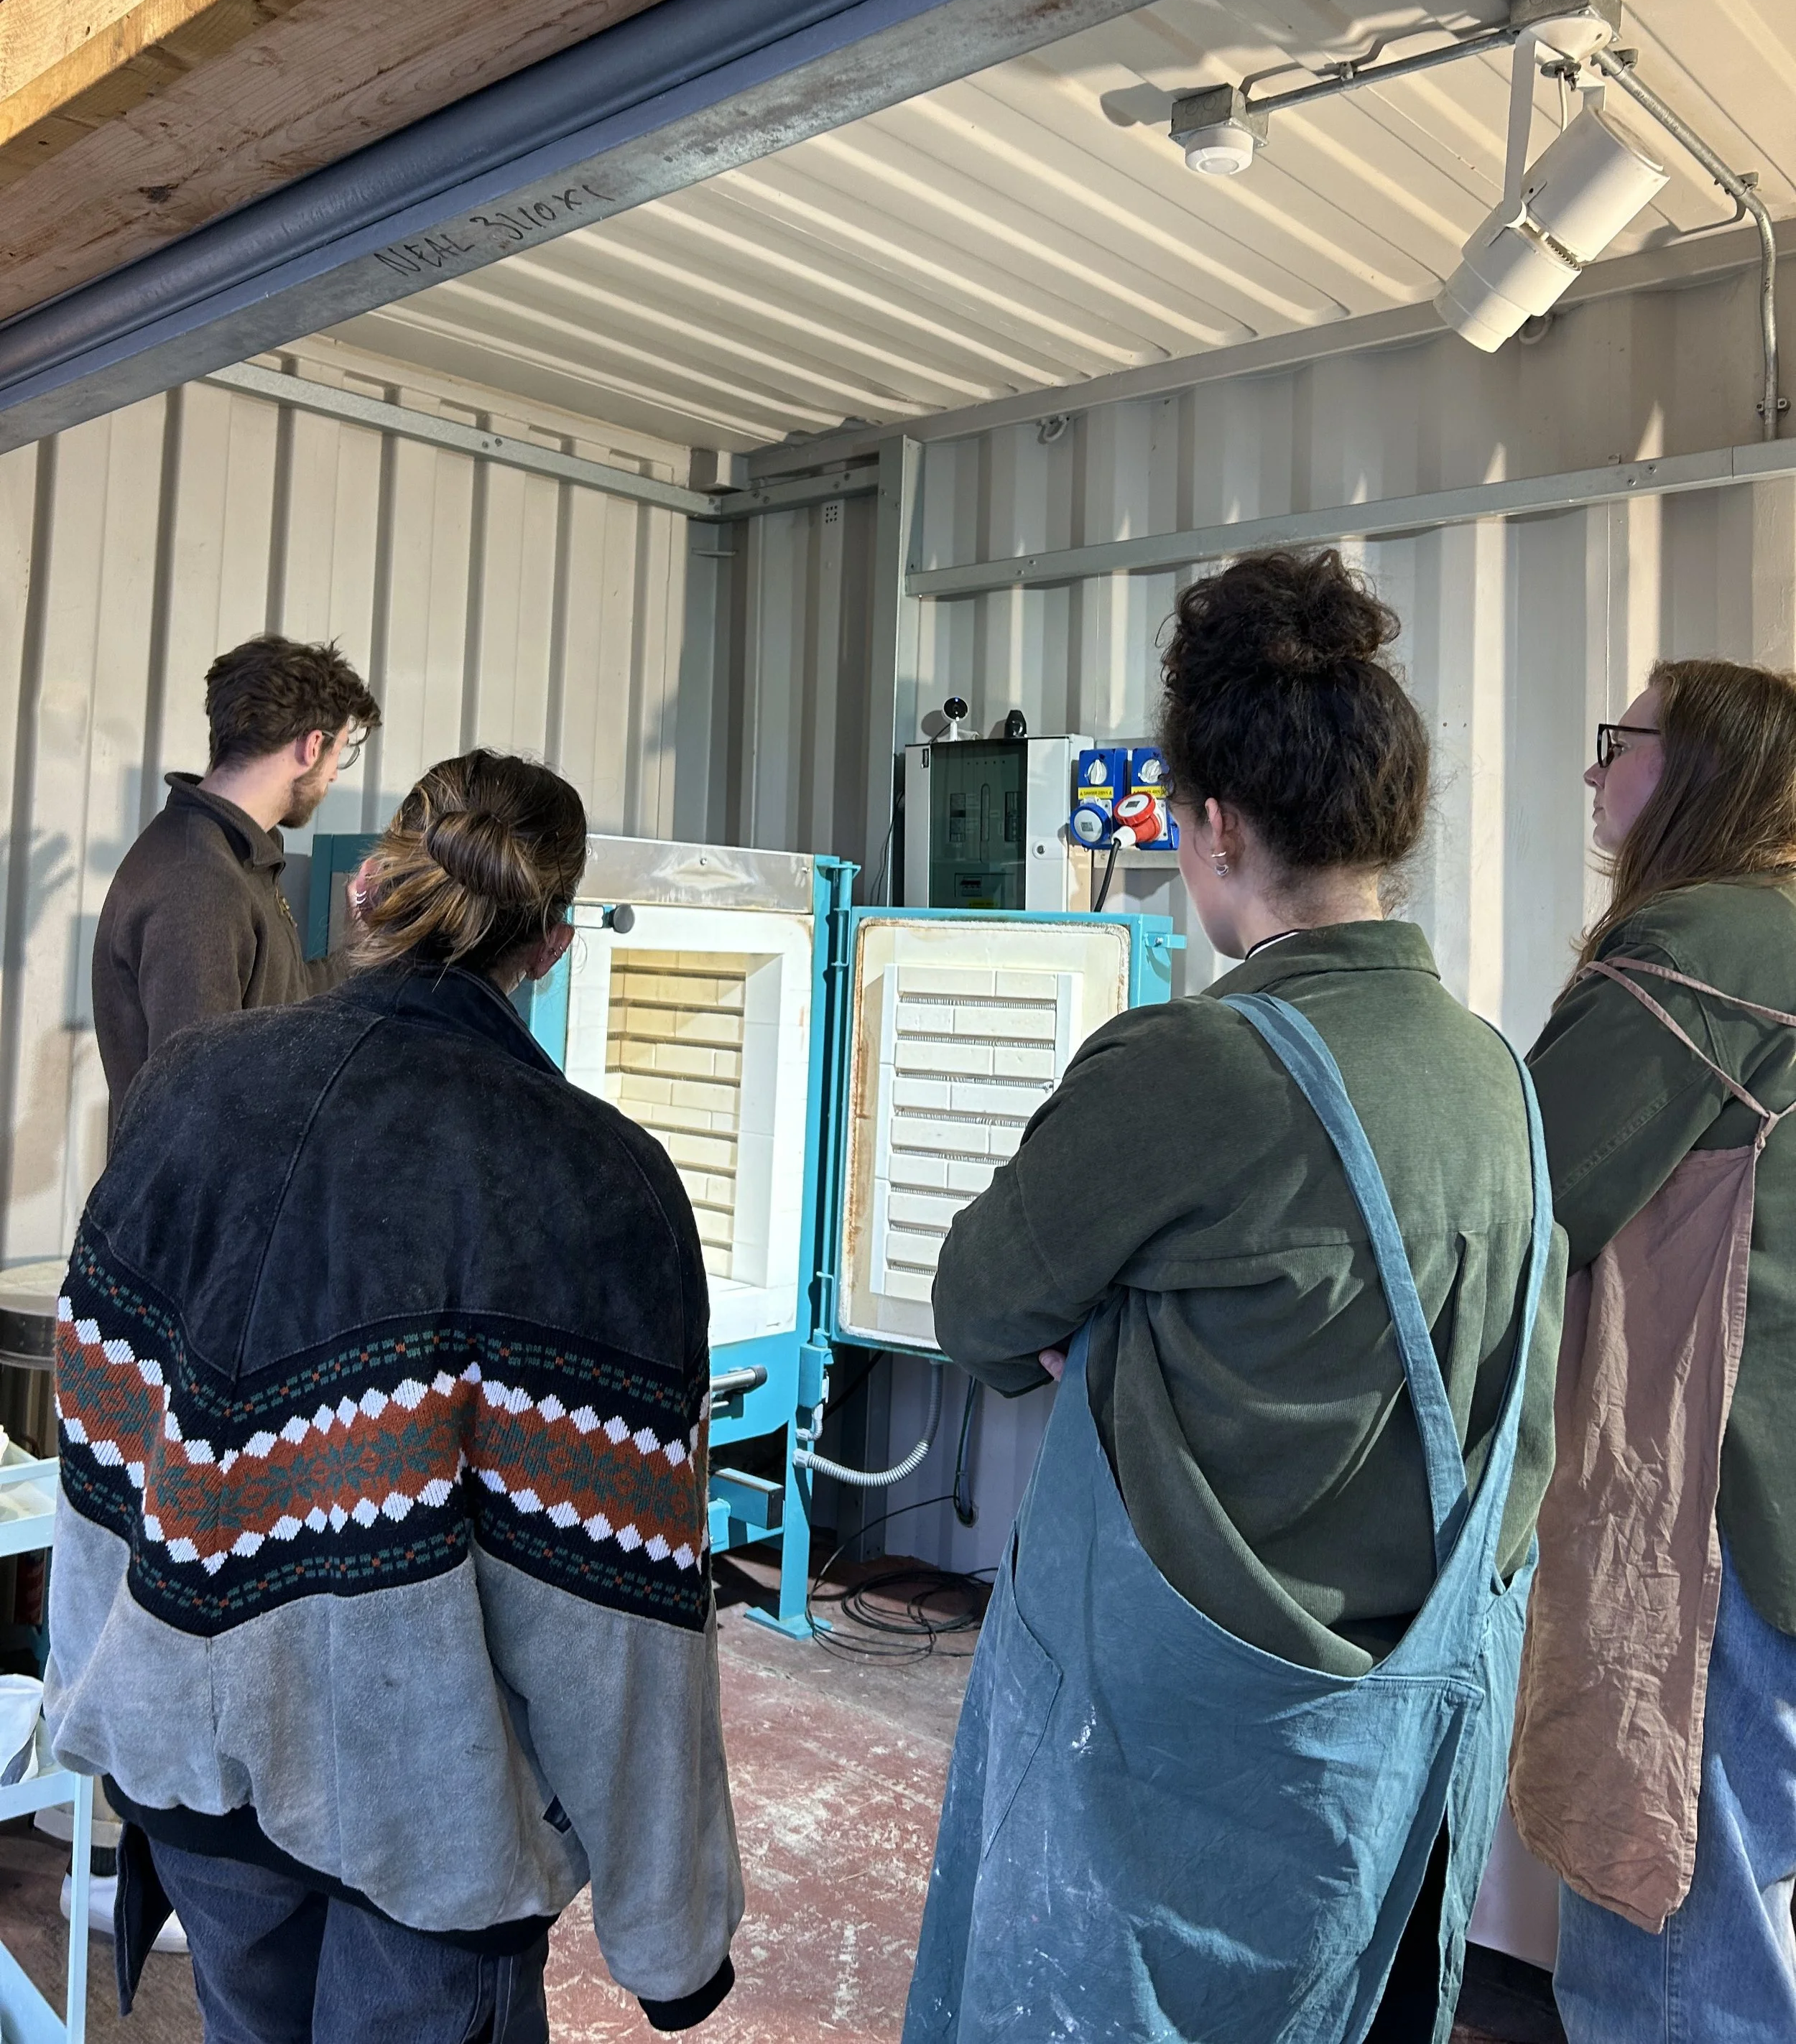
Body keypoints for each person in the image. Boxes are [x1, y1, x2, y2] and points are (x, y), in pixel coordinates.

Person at [904, 547, 1566, 2044]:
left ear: (1208, 826)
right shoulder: (1498, 1077)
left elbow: (973, 1304)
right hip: (1396, 1773)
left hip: (1167, 1775)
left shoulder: (1187, 1062)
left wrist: (1092, 1350)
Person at [46, 751, 741, 2041]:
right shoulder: (602, 1177)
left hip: (193, 1786)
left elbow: (101, 1446)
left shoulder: (188, 1086)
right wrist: (672, 1932)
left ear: (368, 888)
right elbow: (618, 1614)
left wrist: (101, 1695)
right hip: (426, 1827)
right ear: (554, 939)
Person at [1514, 660, 1796, 2040]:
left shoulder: (1699, 947)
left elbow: (1524, 1206)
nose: (1593, 773)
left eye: (1616, 741)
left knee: (1672, 1929)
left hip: (1725, 1515)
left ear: (1703, 768)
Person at [91, 633, 381, 1130]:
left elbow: (281, 1000)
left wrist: (362, 946)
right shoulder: (199, 882)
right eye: (340, 752)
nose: (335, 775)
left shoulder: (236, 857)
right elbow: (197, 1107)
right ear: (313, 746)